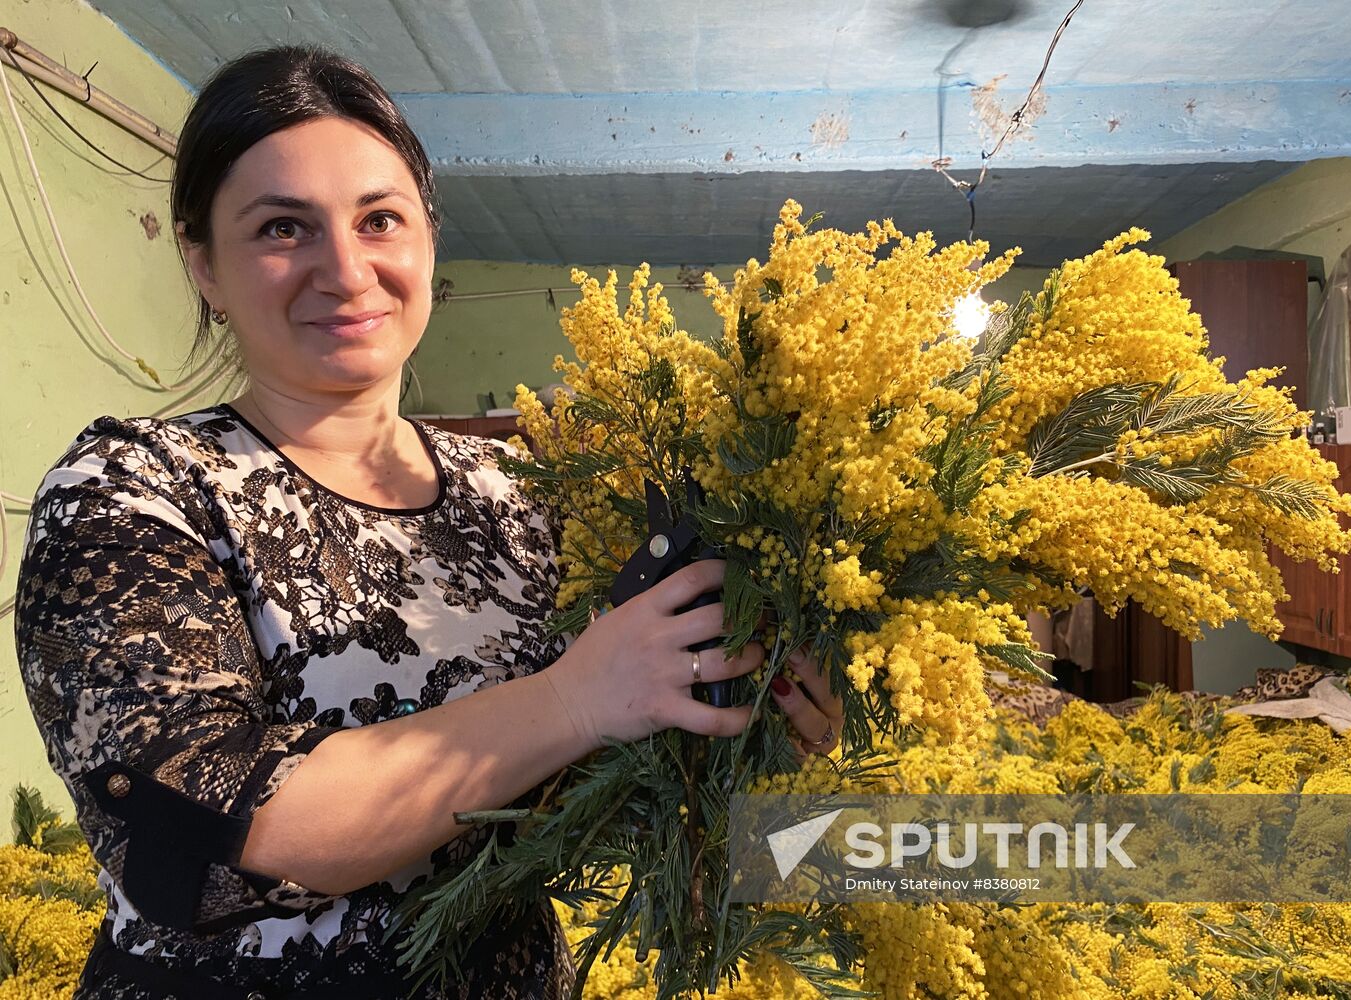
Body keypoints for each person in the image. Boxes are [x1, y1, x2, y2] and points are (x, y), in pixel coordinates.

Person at [13, 46, 844, 999]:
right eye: (283, 227)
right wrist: (576, 698)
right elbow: (198, 831)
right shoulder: (136, 485)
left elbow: (580, 793)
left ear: (428, 242)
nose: (345, 268)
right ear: (202, 264)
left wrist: (745, 715)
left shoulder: (520, 497)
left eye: (379, 220)